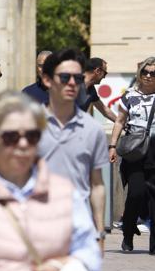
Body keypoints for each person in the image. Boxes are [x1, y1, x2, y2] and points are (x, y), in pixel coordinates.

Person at [0, 91, 101, 271]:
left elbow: (89, 253)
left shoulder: (64, 192)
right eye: (11, 137)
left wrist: (61, 266)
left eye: (31, 136)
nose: (23, 144)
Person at [38, 49, 109, 251]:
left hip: (77, 230)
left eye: (77, 78)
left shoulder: (93, 129)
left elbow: (97, 185)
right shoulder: (28, 126)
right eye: (64, 77)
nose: (72, 83)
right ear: (47, 80)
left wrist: (100, 232)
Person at [109, 57, 155, 253]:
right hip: (135, 151)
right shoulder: (128, 96)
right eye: (145, 72)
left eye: (153, 73)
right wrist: (112, 145)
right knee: (135, 193)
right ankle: (128, 231)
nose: (148, 76)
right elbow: (119, 121)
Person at [77, 57, 116, 122]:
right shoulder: (73, 84)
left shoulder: (91, 89)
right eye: (105, 73)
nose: (104, 77)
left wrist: (122, 123)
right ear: (97, 71)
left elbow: (104, 110)